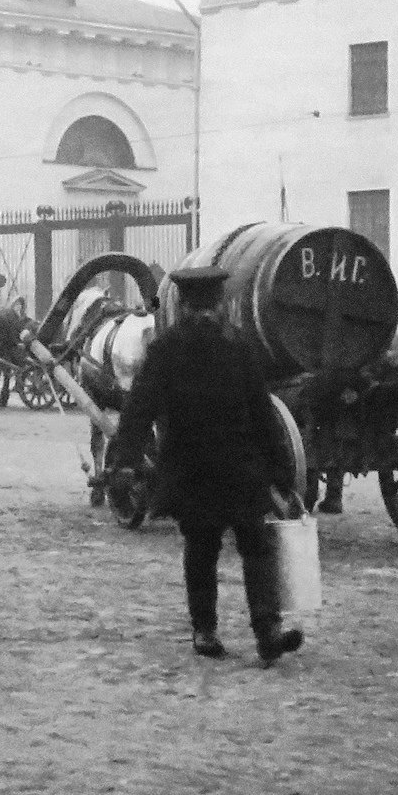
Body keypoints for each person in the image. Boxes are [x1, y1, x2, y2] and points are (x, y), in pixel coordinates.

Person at [105, 264, 304, 668]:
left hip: (189, 467)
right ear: (218, 302)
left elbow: (139, 408)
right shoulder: (239, 346)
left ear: (182, 304)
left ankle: (206, 630)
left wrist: (125, 458)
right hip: (240, 467)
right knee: (254, 546)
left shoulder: (165, 348)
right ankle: (266, 631)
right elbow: (263, 413)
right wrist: (282, 472)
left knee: (201, 548)